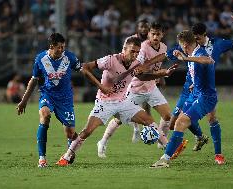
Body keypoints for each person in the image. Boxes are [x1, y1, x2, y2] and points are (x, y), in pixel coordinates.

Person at [139, 8, 233, 164]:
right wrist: (147, 64)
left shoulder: (213, 46)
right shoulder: (187, 48)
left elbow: (210, 59)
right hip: (192, 88)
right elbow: (165, 55)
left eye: (198, 38)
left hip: (206, 89)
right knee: (175, 122)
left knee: (209, 118)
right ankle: (197, 138)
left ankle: (217, 154)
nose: (196, 40)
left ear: (202, 36)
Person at [56, 36, 177, 166]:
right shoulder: (110, 60)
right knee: (88, 131)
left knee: (148, 120)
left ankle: (170, 149)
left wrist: (162, 73)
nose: (135, 54)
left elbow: (142, 76)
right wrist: (100, 86)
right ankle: (67, 156)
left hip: (124, 101)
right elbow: (85, 67)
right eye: (132, 51)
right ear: (124, 49)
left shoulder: (136, 63)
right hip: (105, 102)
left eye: (137, 52)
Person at [96, 22, 174, 158]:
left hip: (151, 88)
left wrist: (161, 77)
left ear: (162, 35)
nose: (155, 36)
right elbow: (140, 71)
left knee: (167, 116)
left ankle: (162, 143)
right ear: (149, 34)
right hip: (135, 88)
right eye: (153, 33)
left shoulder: (164, 47)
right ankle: (103, 141)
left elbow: (157, 66)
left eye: (158, 34)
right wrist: (160, 74)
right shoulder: (142, 48)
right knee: (119, 119)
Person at [150, 30, 216, 168]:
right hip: (195, 94)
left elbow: (208, 60)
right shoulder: (193, 54)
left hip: (205, 97)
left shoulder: (200, 53)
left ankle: (165, 159)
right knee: (175, 123)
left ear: (185, 45)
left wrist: (185, 59)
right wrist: (194, 84)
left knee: (181, 122)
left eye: (181, 45)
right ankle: (171, 154)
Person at [17, 33, 81, 168]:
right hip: (48, 95)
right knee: (45, 115)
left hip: (65, 99)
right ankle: (42, 159)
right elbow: (34, 80)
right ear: (51, 46)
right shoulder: (40, 58)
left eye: (63, 46)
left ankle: (70, 151)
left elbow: (83, 69)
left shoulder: (69, 57)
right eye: (59, 47)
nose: (62, 49)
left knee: (70, 132)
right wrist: (24, 100)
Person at [122, 19, 152, 143]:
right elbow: (124, 54)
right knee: (132, 103)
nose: (144, 29)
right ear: (138, 28)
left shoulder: (151, 41)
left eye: (146, 27)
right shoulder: (131, 40)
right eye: (142, 27)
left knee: (147, 104)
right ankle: (136, 128)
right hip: (133, 74)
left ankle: (148, 130)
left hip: (147, 73)